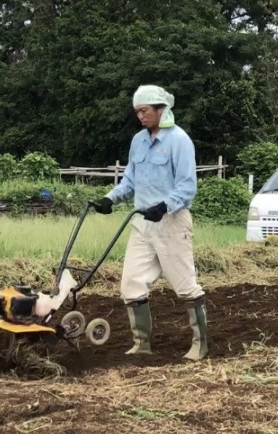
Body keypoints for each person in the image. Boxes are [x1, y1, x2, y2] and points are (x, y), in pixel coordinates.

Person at [89, 84, 208, 360]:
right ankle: (141, 345)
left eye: (144, 111)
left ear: (160, 109)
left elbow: (188, 186)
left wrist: (165, 205)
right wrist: (109, 199)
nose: (140, 116)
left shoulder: (179, 140)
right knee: (131, 283)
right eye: (137, 112)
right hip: (142, 223)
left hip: (171, 221)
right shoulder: (138, 141)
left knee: (185, 285)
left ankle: (199, 345)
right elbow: (130, 180)